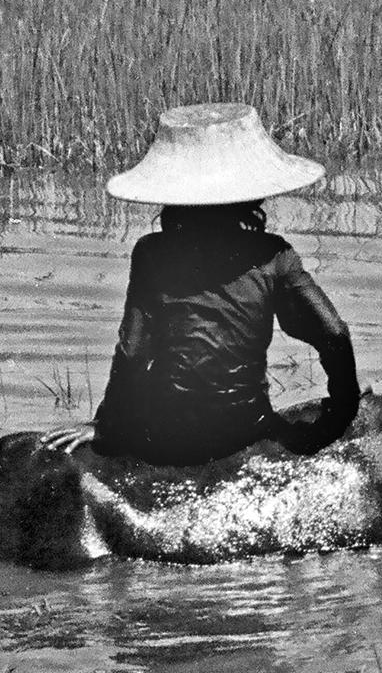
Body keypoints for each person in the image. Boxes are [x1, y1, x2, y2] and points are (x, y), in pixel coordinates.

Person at [66, 103, 360, 466]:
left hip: (166, 432)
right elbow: (334, 332)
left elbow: (134, 352)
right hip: (243, 428)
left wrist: (106, 426)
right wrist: (342, 411)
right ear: (251, 195)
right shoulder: (274, 256)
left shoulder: (152, 254)